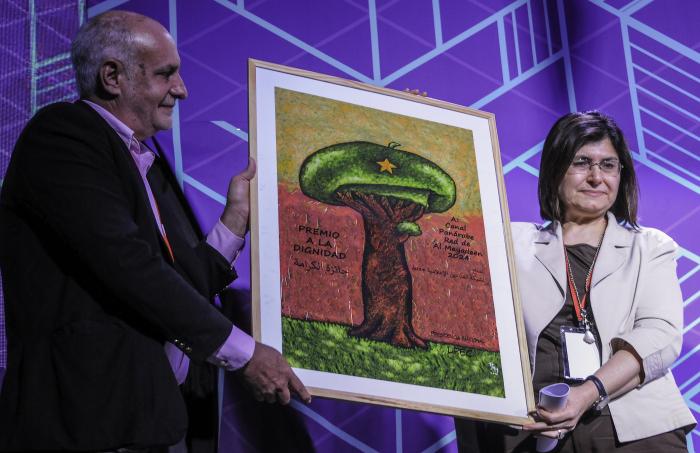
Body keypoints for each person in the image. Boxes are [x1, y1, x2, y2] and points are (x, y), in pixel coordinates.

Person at [0, 10, 310, 452]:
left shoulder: (145, 163)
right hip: (83, 426)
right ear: (113, 77)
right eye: (166, 74)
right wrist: (244, 354)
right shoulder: (62, 138)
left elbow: (178, 282)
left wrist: (233, 223)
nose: (181, 90)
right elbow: (128, 266)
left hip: (150, 424)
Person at [455, 111, 695, 452]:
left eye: (609, 165)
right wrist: (419, 128)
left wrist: (588, 392)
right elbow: (437, 244)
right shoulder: (510, 241)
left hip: (634, 428)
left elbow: (659, 334)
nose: (597, 177)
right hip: (535, 429)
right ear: (555, 170)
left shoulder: (649, 247)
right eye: (582, 162)